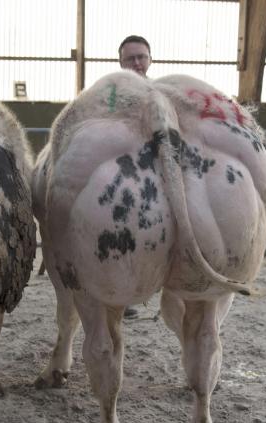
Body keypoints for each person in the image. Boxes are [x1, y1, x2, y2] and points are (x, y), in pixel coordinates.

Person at [119, 35, 151, 319]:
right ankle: (123, 297)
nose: (137, 63)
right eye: (131, 58)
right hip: (122, 180)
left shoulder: (162, 92)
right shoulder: (110, 94)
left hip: (156, 179)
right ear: (120, 62)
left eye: (142, 57)